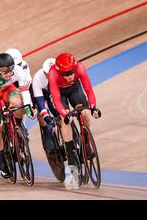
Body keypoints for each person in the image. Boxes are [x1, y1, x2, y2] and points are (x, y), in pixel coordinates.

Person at [49, 52, 101, 189]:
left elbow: (89, 90)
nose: (70, 76)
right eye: (66, 74)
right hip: (60, 93)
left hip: (74, 89)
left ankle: (85, 138)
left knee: (84, 113)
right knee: (65, 120)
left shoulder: (80, 68)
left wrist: (93, 107)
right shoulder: (53, 73)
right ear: (59, 72)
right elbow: (55, 99)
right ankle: (70, 151)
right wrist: (64, 113)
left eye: (71, 72)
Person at [0, 53, 34, 178]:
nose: (8, 74)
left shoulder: (18, 70)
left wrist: (28, 107)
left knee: (19, 103)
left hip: (7, 90)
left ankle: (17, 127)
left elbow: (25, 92)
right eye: (4, 72)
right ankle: (2, 162)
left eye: (10, 71)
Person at [31, 58, 57, 151]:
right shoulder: (38, 79)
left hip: (51, 91)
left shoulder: (60, 75)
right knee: (39, 107)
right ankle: (46, 130)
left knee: (56, 111)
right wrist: (48, 120)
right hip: (40, 93)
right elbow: (41, 105)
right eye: (48, 74)